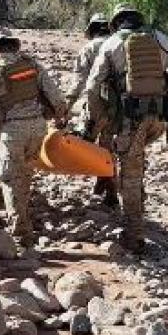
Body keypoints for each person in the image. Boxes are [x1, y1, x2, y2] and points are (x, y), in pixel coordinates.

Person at [82, 4, 168, 251]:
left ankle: (134, 236)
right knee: (135, 160)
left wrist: (96, 118)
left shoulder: (111, 44)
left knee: (130, 175)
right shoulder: (160, 38)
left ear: (116, 23)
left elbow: (92, 86)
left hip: (130, 119)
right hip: (159, 118)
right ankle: (138, 206)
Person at [0, 27, 68, 251]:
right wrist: (60, 117)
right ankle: (23, 217)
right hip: (38, 128)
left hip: (12, 131)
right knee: (25, 175)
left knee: (9, 180)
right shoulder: (33, 65)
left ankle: (21, 236)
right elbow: (57, 99)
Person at [70, 13, 116, 206]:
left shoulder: (88, 49)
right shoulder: (118, 45)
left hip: (95, 105)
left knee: (86, 143)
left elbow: (79, 82)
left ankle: (103, 181)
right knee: (109, 147)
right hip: (118, 106)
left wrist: (66, 105)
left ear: (91, 30)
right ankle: (108, 187)